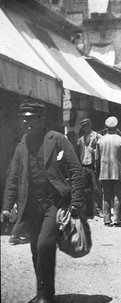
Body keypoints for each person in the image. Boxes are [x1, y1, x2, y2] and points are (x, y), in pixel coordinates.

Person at [1, 98, 85, 303]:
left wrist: (75, 202)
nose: (26, 123)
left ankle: (46, 295)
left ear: (41, 119)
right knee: (34, 249)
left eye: (31, 119)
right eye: (23, 119)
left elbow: (76, 170)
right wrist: (6, 207)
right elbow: (13, 177)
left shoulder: (56, 139)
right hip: (31, 205)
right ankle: (42, 291)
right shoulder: (23, 143)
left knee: (44, 245)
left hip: (54, 203)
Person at [96, 116, 121, 227]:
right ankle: (117, 220)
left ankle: (107, 220)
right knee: (117, 197)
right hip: (117, 172)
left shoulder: (100, 140)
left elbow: (97, 158)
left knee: (106, 196)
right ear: (116, 126)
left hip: (103, 172)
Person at [77, 118, 103, 218]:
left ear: (90, 125)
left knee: (96, 189)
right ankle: (88, 211)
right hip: (84, 165)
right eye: (83, 127)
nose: (85, 128)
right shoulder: (81, 138)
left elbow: (101, 150)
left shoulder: (97, 136)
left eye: (86, 126)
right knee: (86, 189)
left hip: (93, 166)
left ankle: (99, 209)